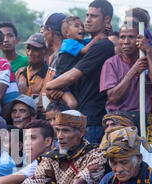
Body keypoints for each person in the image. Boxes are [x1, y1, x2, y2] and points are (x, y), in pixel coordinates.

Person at [46, 0, 115, 144]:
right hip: (75, 119)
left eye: (94, 16)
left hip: (90, 120)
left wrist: (50, 85)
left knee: (88, 165)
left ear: (107, 19)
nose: (88, 20)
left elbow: (71, 76)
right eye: (87, 15)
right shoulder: (84, 43)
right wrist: (57, 89)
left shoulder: (103, 46)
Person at [100, 21, 152, 146]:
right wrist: (133, 71)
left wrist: (149, 51)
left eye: (131, 37)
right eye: (122, 37)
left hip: (144, 121)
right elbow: (113, 97)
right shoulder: (111, 63)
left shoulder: (148, 60)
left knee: (145, 160)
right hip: (118, 123)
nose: (126, 41)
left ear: (140, 40)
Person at [15, 33, 49, 102]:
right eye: (28, 48)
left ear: (45, 51)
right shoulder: (20, 72)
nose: (30, 53)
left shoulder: (49, 74)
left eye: (35, 49)